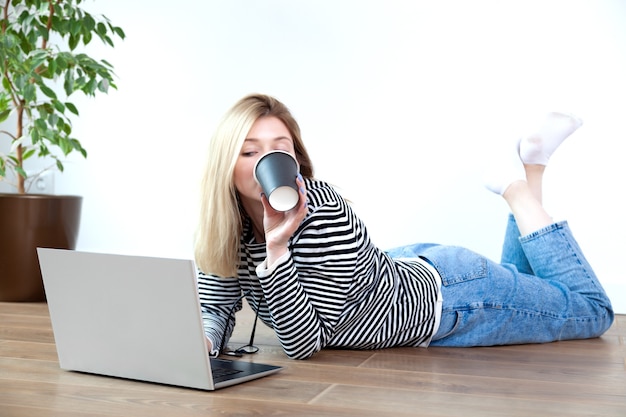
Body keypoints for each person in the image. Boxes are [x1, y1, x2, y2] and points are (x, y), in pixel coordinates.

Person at [194, 93, 614, 360]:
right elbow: (216, 308)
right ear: (226, 166)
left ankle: (516, 189)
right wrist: (205, 346)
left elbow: (304, 344)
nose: (264, 162)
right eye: (249, 152)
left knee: (592, 312)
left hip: (455, 298)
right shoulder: (224, 222)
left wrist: (277, 249)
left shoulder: (320, 209)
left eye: (279, 150)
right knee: (531, 284)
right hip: (402, 273)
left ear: (296, 162)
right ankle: (533, 161)